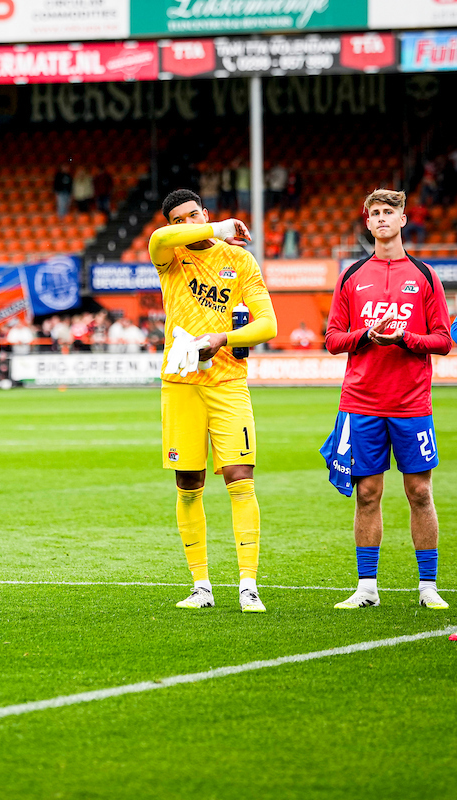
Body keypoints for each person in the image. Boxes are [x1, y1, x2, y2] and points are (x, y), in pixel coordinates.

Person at [322, 189, 452, 611]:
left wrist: (405, 338)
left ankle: (427, 586)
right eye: (374, 213)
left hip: (412, 404)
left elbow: (444, 341)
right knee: (367, 494)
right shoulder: (351, 276)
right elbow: (332, 339)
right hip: (361, 402)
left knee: (419, 491)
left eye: (388, 213)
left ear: (401, 220)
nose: (381, 219)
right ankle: (366, 588)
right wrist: (364, 334)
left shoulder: (426, 275)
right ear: (367, 223)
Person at [148, 188, 277, 613]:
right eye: (178, 220)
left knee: (240, 478)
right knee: (188, 484)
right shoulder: (170, 255)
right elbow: (157, 241)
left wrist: (223, 338)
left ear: (204, 212)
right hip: (181, 385)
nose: (186, 224)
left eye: (193, 216)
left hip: (227, 383)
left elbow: (267, 325)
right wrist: (217, 228)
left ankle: (248, 585)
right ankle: (201, 585)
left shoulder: (239, 260)